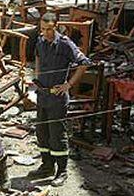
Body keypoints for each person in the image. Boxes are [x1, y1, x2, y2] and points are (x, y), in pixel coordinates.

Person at [30, 12, 91, 186]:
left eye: (49, 29)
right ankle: (47, 165)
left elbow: (84, 63)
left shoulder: (65, 44)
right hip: (42, 95)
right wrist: (36, 76)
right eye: (42, 29)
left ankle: (61, 171)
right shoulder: (40, 41)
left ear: (55, 26)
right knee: (42, 133)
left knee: (57, 135)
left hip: (57, 98)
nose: (45, 33)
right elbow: (37, 57)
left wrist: (68, 85)